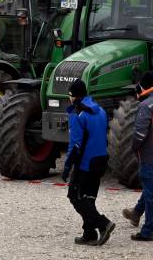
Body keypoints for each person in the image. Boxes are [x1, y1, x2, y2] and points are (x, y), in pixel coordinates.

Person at [62, 78, 115, 245]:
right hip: (101, 159)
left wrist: (67, 166)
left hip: (86, 162)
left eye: (69, 95)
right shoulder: (100, 110)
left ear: (74, 96)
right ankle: (89, 233)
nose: (69, 98)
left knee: (75, 196)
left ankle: (103, 223)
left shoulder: (77, 113)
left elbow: (76, 145)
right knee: (89, 197)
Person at [122, 71, 153, 241]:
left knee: (150, 193)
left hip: (149, 156)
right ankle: (136, 213)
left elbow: (139, 135)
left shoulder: (145, 106)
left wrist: (134, 150)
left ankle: (148, 231)